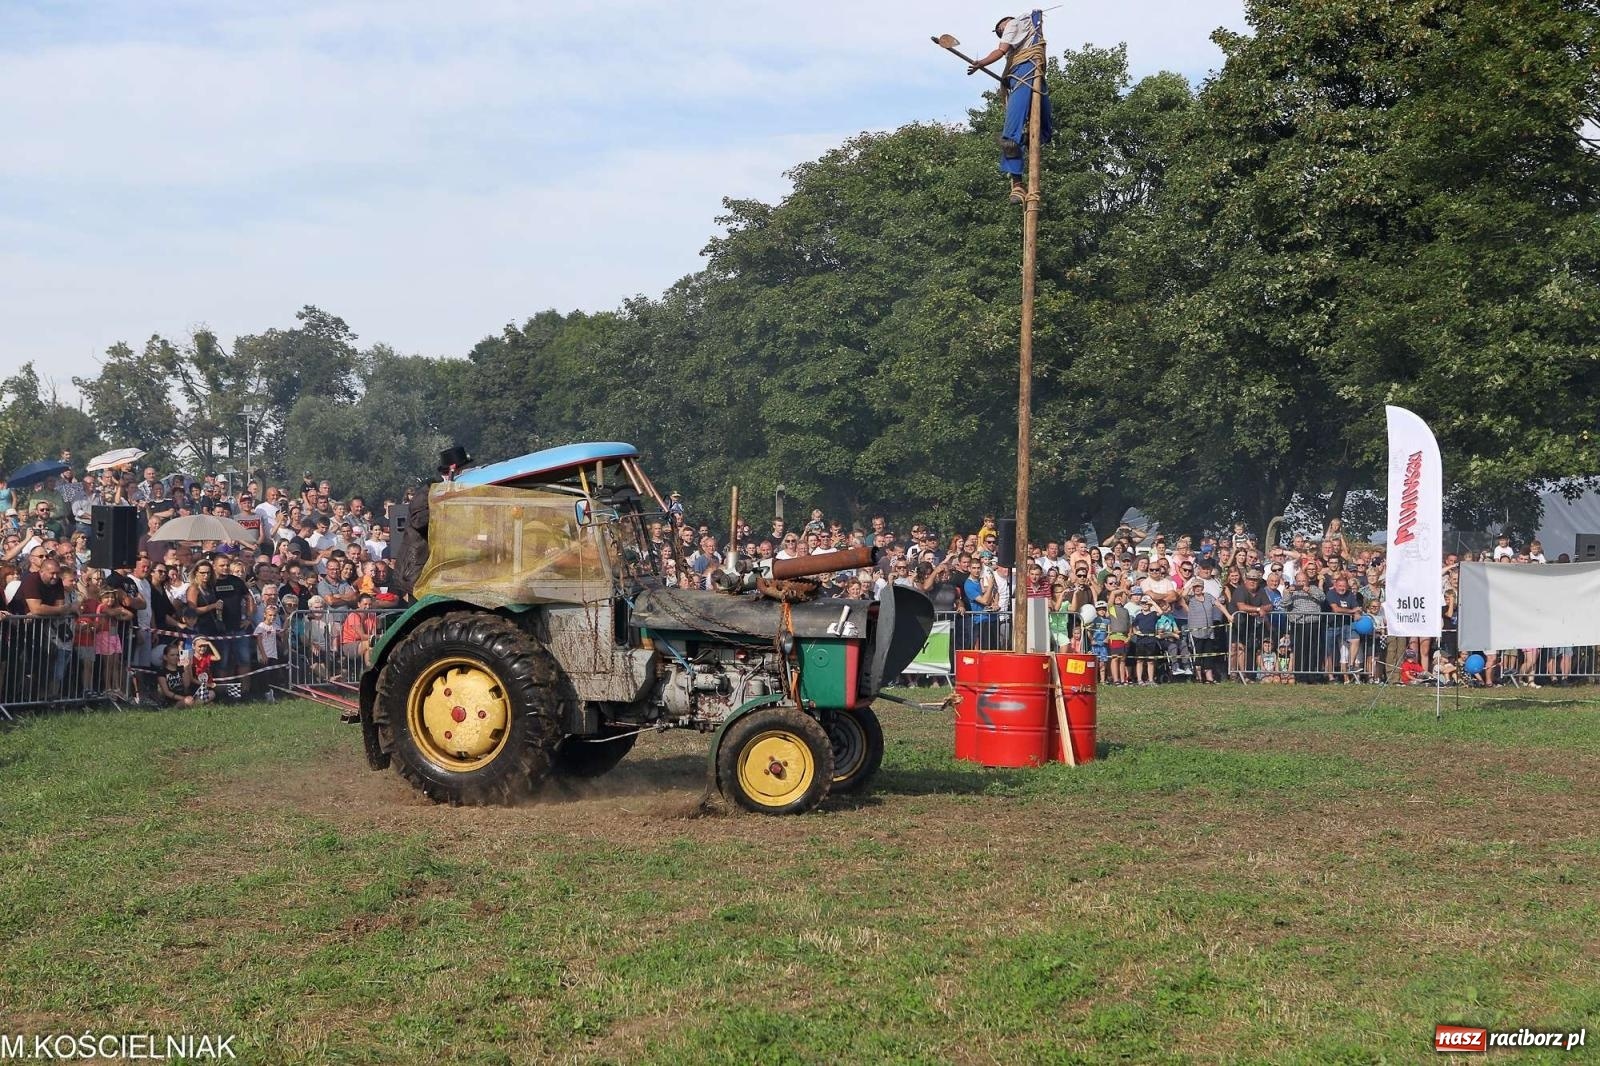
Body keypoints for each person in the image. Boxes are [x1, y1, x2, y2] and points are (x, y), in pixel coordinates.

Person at [966, 12, 1055, 204]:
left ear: (1006, 22)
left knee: (1043, 131)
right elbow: (1002, 51)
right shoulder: (1023, 29)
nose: (1001, 31)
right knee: (1011, 135)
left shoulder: (1015, 23)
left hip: (1031, 71)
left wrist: (981, 63)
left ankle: (1022, 143)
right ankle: (1017, 185)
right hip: (1022, 73)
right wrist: (983, 63)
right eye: (1000, 31)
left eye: (1000, 28)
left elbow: (1000, 50)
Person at [156, 642, 198, 707]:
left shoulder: (181, 668)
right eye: (172, 655)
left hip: (185, 695)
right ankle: (195, 704)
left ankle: (194, 703)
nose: (175, 657)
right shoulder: (161, 672)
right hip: (172, 699)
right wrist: (183, 698)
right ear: (165, 657)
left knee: (211, 694)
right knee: (188, 701)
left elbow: (187, 685)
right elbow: (166, 692)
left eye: (177, 655)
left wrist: (185, 668)